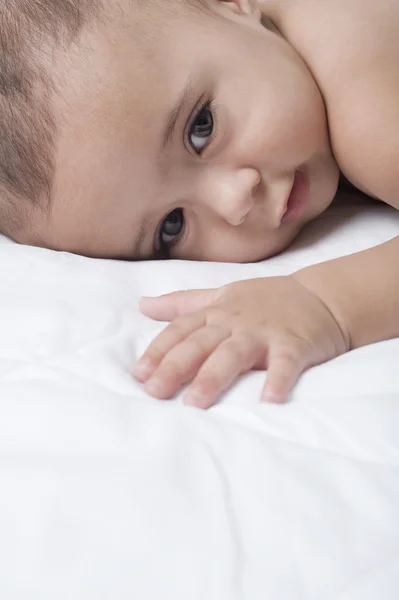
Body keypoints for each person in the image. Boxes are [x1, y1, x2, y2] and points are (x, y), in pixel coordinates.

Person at [1, 0, 398, 408]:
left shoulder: (365, 107)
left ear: (230, 5)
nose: (234, 203)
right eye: (171, 226)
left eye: (201, 129)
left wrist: (326, 304)